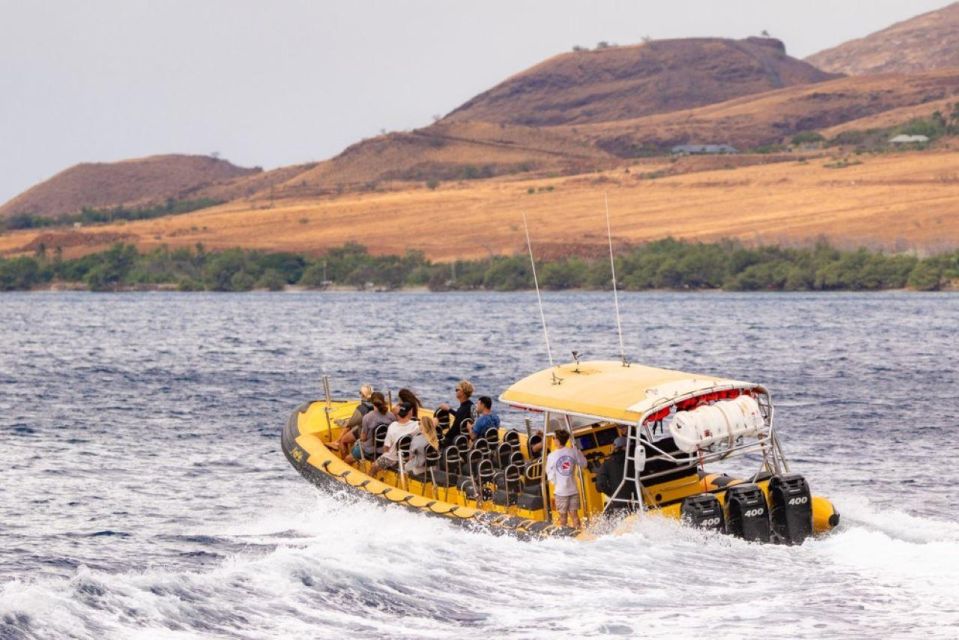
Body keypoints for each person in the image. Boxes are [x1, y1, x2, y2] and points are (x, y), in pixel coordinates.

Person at [546, 429, 588, 528]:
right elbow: (584, 464)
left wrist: (555, 482)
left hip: (560, 491)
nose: (553, 440)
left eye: (554, 438)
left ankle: (564, 538)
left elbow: (549, 472)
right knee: (575, 516)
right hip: (573, 490)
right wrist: (578, 452)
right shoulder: (574, 452)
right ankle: (578, 534)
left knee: (563, 518)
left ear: (557, 440)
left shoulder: (552, 456)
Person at [371, 401, 421, 475]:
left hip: (393, 458)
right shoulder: (417, 426)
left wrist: (385, 455)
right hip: (410, 458)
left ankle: (371, 477)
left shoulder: (393, 426)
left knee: (374, 466)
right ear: (410, 412)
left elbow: (386, 448)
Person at [345, 391, 394, 465]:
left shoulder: (367, 417)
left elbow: (363, 438)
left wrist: (360, 437)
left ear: (372, 403)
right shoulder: (391, 416)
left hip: (369, 450)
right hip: (385, 449)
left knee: (347, 459)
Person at [595, 436, 634, 511]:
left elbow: (600, 485)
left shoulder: (606, 464)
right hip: (636, 500)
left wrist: (613, 494)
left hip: (618, 505)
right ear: (624, 447)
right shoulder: (633, 460)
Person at [335, 385, 374, 457]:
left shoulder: (362, 408)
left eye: (360, 393)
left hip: (364, 433)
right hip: (372, 432)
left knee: (343, 441)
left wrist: (339, 421)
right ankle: (336, 442)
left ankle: (345, 458)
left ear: (362, 395)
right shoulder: (376, 405)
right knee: (350, 429)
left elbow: (350, 423)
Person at [438, 380, 475, 448]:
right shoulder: (471, 406)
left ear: (463, 392)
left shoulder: (463, 408)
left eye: (457, 389)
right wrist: (449, 409)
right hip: (464, 439)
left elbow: (455, 429)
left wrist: (444, 437)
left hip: (455, 440)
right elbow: (461, 416)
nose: (455, 391)